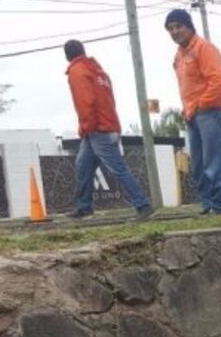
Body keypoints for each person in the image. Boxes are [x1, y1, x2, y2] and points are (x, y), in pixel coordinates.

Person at [63, 40, 154, 220]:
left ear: (67, 56)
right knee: (83, 165)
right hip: (107, 125)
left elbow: (85, 102)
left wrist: (86, 128)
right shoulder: (99, 71)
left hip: (97, 129)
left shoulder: (77, 71)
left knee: (118, 168)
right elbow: (109, 100)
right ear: (83, 51)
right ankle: (84, 207)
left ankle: (143, 204)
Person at [164, 9, 221, 215]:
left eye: (178, 26)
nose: (174, 32)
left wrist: (201, 104)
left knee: (214, 160)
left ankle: (220, 207)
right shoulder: (179, 55)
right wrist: (188, 110)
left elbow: (219, 81)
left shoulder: (204, 48)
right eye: (170, 29)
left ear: (189, 26)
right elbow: (188, 86)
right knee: (198, 165)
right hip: (193, 114)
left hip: (211, 111)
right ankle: (208, 205)